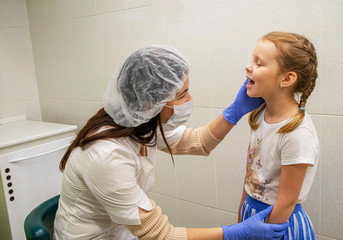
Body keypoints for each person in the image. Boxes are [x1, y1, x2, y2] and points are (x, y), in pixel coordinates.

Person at [53, 45, 289, 240]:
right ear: (150, 104)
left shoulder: (140, 124)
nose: (190, 99)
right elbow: (160, 235)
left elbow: (197, 142)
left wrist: (232, 113)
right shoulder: (105, 156)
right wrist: (234, 233)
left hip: (121, 232)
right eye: (182, 95)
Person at [237, 32, 319, 239]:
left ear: (287, 78)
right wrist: (240, 223)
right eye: (251, 60)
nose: (248, 67)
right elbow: (250, 176)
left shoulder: (297, 133)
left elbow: (286, 202)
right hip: (252, 214)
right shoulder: (259, 115)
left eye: (259, 63)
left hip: (279, 224)